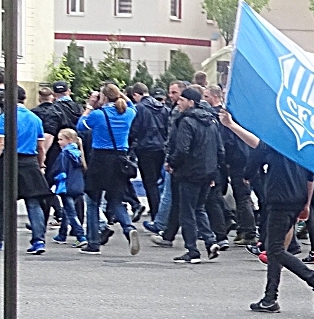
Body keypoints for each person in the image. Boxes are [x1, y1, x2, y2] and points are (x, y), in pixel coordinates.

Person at [218, 111, 314, 314]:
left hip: (279, 198)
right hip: (297, 198)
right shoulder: (301, 143)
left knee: (275, 249)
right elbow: (311, 178)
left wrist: (247, 175)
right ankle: (270, 297)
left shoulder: (273, 141)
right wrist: (306, 204)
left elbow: (254, 157)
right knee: (276, 247)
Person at [0, 87, 51, 253]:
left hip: (10, 161)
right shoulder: (35, 119)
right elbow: (40, 147)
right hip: (30, 162)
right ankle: (38, 240)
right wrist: (41, 165)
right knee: (34, 203)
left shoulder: (6, 117)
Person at [74, 83, 141, 256]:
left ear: (103, 97)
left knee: (93, 201)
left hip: (100, 159)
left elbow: (81, 126)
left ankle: (93, 243)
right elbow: (133, 106)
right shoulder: (128, 113)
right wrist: (121, 95)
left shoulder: (98, 114)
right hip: (120, 159)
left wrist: (90, 105)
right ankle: (129, 228)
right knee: (116, 200)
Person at [162, 86, 221, 265]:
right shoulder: (211, 121)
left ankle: (192, 250)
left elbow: (182, 148)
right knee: (199, 208)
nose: (178, 103)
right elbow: (219, 149)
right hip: (208, 171)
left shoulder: (186, 121)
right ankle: (211, 242)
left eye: (181, 100)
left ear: (190, 102)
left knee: (187, 212)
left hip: (189, 172)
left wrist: (171, 163)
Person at [127, 82, 171, 225]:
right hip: (161, 148)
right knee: (158, 183)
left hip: (145, 148)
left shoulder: (139, 108)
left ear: (136, 95)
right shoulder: (163, 108)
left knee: (150, 183)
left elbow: (134, 130)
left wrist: (129, 146)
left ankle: (156, 217)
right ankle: (159, 215)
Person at [50, 128, 87, 246]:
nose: (58, 142)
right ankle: (62, 234)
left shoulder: (65, 154)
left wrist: (51, 179)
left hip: (66, 186)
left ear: (69, 140)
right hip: (78, 186)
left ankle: (81, 236)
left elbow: (59, 169)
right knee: (67, 211)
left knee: (71, 213)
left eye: (61, 139)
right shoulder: (79, 153)